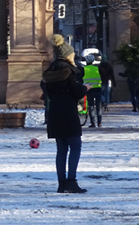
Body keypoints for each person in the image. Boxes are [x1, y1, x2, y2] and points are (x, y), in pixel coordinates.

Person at [42, 38, 88, 193]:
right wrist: (85, 88)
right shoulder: (69, 70)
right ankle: (71, 181)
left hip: (54, 112)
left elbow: (46, 91)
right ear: (67, 54)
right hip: (68, 112)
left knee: (61, 149)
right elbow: (76, 92)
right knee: (75, 146)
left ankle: (61, 183)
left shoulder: (50, 71)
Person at [82, 55, 103, 128]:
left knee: (91, 106)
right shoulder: (97, 68)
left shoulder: (84, 69)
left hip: (89, 89)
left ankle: (93, 123)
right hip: (98, 88)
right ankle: (99, 122)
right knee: (98, 106)